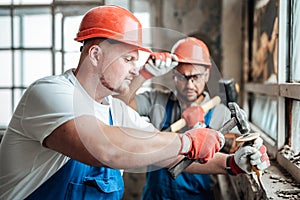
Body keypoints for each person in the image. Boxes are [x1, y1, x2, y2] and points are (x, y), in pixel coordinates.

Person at [0, 5, 269, 200]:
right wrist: (187, 140)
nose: (134, 69)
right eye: (129, 59)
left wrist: (232, 163)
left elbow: (167, 154)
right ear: (95, 54)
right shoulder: (50, 93)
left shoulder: (117, 111)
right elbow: (105, 148)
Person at [117, 37, 269, 200]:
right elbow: (119, 105)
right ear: (173, 75)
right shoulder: (156, 101)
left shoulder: (220, 113)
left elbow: (236, 147)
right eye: (182, 77)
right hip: (156, 195)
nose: (189, 85)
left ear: (207, 74)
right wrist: (144, 74)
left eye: (195, 77)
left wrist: (253, 152)